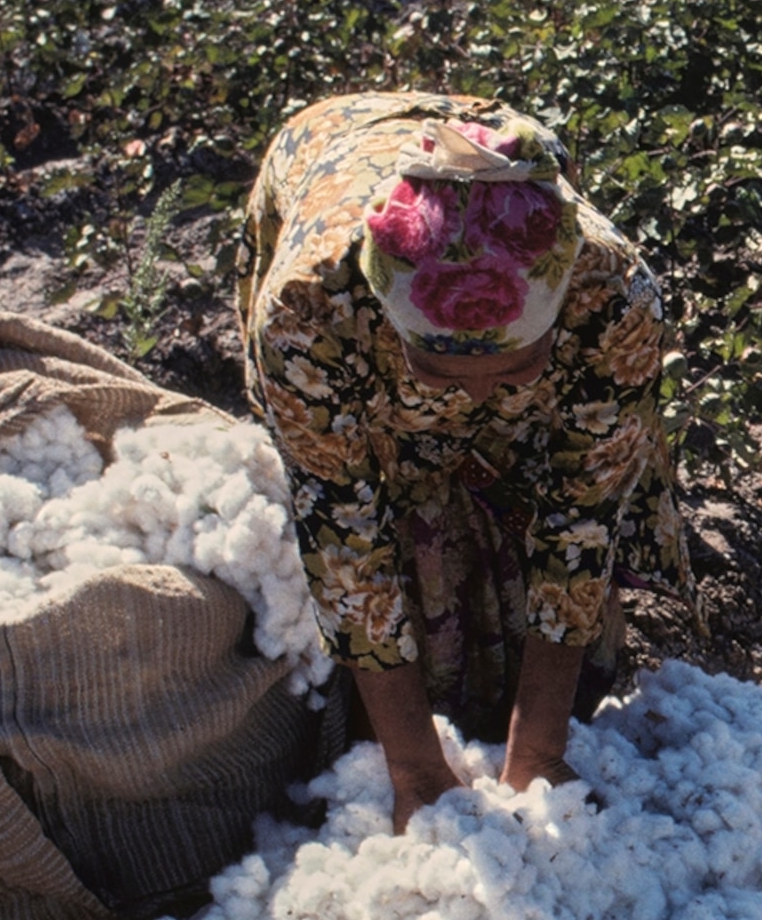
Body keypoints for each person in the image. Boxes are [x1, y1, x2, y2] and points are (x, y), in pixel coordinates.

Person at [239, 93, 691, 826]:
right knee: (395, 520)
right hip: (326, 155)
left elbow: (584, 511)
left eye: (515, 372)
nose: (478, 394)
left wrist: (540, 750)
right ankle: (422, 709)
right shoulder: (307, 314)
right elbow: (346, 538)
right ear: (391, 329)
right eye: (443, 376)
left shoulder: (612, 297)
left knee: (554, 515)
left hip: (507, 231)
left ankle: (530, 700)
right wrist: (414, 767)